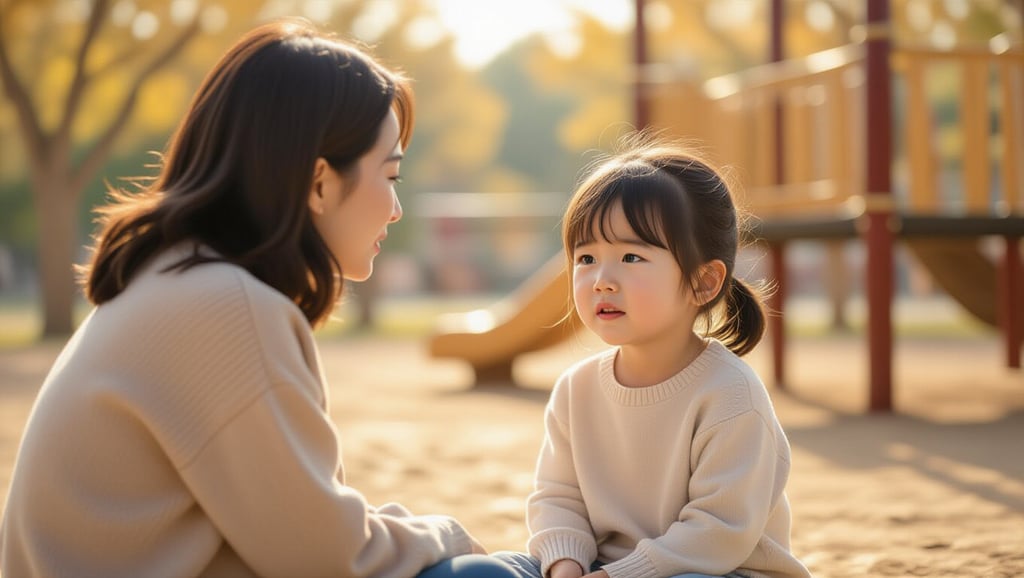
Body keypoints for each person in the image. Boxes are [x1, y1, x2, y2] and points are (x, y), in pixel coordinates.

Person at [0, 18, 518, 578]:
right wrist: (451, 535)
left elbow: (298, 527)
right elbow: (329, 559)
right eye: (389, 176)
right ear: (319, 183)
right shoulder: (223, 307)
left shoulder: (177, 280)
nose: (396, 209)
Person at [494, 137, 812, 578]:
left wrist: (615, 576)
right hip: (602, 568)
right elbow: (558, 498)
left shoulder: (730, 395)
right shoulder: (576, 388)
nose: (601, 280)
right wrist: (565, 565)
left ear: (703, 282)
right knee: (486, 570)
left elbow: (718, 531)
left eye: (630, 256)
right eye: (586, 258)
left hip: (714, 571)